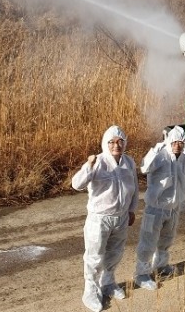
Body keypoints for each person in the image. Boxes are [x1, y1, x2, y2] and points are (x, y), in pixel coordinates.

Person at [71, 125, 139, 312]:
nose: (116, 145)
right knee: (94, 256)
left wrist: (132, 210)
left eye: (120, 141)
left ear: (124, 143)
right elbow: (76, 184)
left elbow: (134, 188)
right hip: (99, 218)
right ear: (105, 144)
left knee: (114, 253)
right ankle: (90, 291)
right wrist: (88, 166)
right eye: (111, 142)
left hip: (121, 217)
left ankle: (108, 283)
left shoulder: (129, 162)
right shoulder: (98, 162)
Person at [134, 126, 185, 290]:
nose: (177, 145)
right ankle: (141, 275)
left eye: (180, 142)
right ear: (169, 141)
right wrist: (155, 149)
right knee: (148, 241)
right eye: (174, 142)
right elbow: (144, 168)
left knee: (166, 239)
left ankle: (161, 266)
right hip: (156, 208)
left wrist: (182, 200)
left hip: (173, 208)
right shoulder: (161, 156)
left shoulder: (184, 159)